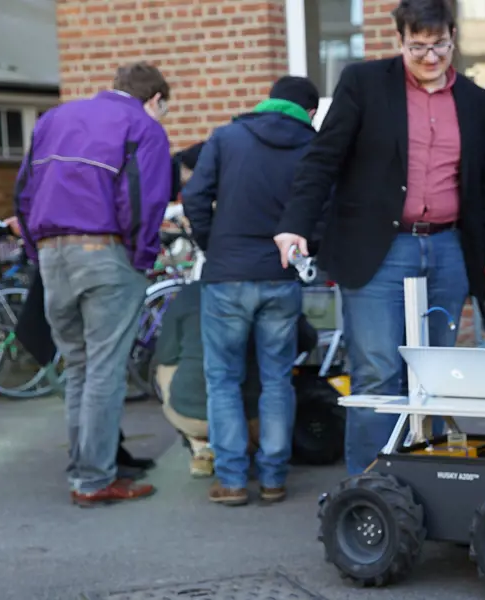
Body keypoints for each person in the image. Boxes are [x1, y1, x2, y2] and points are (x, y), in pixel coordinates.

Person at [273, 0, 485, 475]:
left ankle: (428, 483)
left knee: (435, 375)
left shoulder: (472, 98)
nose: (429, 56)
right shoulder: (364, 83)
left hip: (447, 248)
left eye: (438, 44)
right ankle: (370, 492)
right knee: (377, 372)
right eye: (417, 46)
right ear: (400, 41)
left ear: (453, 39)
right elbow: (323, 159)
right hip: (379, 250)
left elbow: (481, 180)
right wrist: (295, 224)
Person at [13, 61, 173, 507]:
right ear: (155, 99)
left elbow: (23, 192)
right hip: (104, 253)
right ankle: (95, 478)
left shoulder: (54, 119)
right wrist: (141, 259)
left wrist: (36, 250)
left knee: (79, 368)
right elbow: (144, 199)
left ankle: (85, 468)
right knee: (104, 370)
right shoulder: (143, 126)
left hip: (51, 253)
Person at [182, 76, 319, 506]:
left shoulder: (227, 137)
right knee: (278, 379)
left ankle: (233, 479)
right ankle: (275, 477)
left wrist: (213, 245)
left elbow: (194, 198)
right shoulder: (312, 147)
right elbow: (323, 208)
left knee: (223, 379)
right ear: (310, 112)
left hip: (226, 275)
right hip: (281, 276)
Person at [154, 280, 318, 485]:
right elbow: (307, 342)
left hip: (195, 417)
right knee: (278, 378)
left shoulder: (192, 293)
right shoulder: (279, 286)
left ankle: (204, 448)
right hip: (262, 421)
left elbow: (165, 354)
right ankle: (272, 471)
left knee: (190, 372)